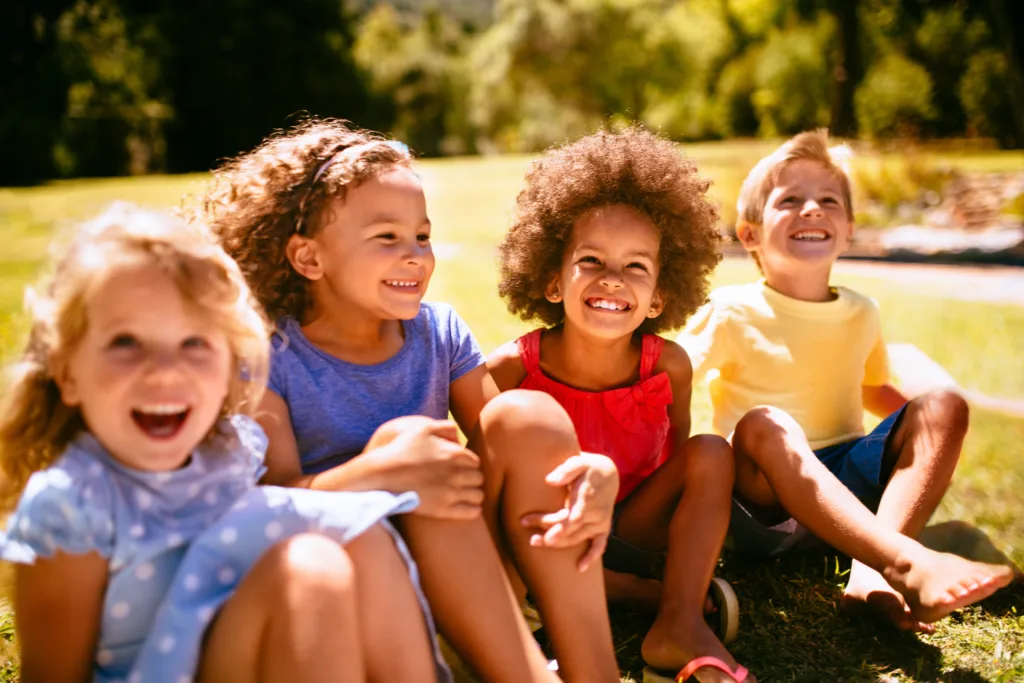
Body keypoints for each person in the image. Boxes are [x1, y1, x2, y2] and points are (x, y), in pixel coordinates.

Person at [203, 118, 622, 683]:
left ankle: (591, 672)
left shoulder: (437, 332)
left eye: (421, 236)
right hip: (361, 603)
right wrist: (382, 474)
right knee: (409, 445)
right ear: (308, 258)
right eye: (386, 237)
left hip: (472, 585)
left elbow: (510, 441)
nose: (416, 257)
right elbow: (271, 501)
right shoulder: (270, 356)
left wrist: (592, 470)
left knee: (528, 416)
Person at [0, 206, 448, 683]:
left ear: (231, 370)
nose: (166, 370)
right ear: (68, 374)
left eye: (195, 344)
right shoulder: (74, 504)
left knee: (348, 539)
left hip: (236, 654)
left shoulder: (234, 453)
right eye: (126, 343)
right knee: (311, 567)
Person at [678, 129, 1013, 633]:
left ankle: (867, 574)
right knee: (766, 424)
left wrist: (930, 434)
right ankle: (900, 559)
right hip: (762, 498)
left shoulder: (862, 312)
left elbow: (872, 390)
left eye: (828, 200)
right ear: (749, 234)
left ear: (849, 229)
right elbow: (674, 376)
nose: (812, 209)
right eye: (790, 200)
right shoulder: (732, 309)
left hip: (847, 487)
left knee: (944, 405)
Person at [488, 128, 751, 683]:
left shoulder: (668, 366)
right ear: (551, 280)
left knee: (710, 450)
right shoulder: (511, 369)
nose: (613, 279)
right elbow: (489, 487)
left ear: (658, 295)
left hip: (634, 527)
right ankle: (645, 594)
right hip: (551, 536)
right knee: (524, 557)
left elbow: (677, 462)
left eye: (636, 266)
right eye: (590, 260)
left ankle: (676, 619)